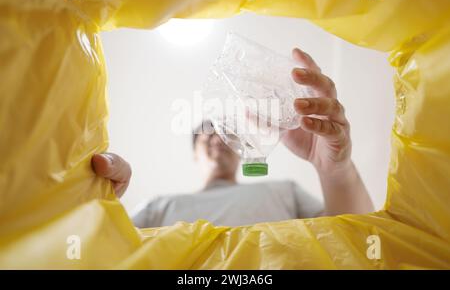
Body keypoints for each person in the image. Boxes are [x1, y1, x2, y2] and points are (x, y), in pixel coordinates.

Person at [91, 47, 374, 228]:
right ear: (195, 155)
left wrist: (334, 169)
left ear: (241, 150)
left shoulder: (284, 191)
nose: (217, 140)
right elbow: (103, 257)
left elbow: (353, 239)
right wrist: (96, 205)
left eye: (226, 137)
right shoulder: (159, 206)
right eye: (207, 138)